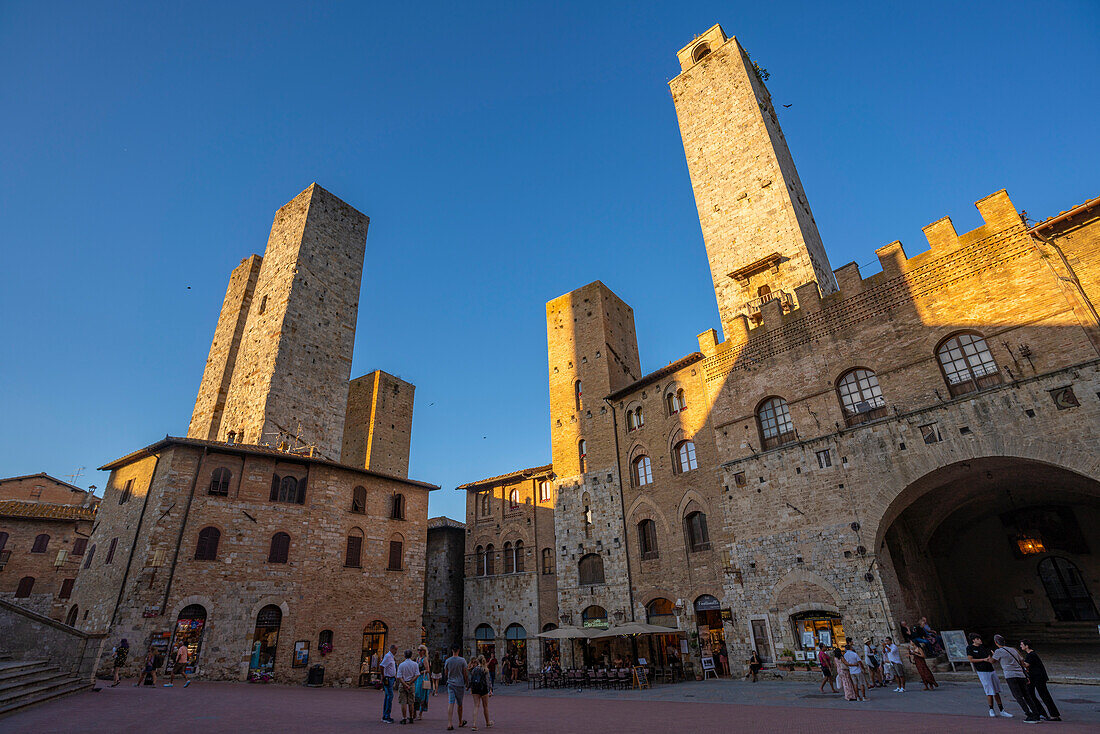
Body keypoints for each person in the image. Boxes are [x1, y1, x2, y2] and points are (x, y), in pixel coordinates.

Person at [992, 634, 1040, 723]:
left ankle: (1029, 714)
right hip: (1020, 675)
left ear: (996, 643)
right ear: (1004, 642)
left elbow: (992, 661)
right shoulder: (1014, 650)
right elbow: (1022, 662)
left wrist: (992, 655)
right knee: (1027, 696)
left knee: (1018, 696)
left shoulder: (998, 651)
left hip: (1010, 675)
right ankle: (1036, 714)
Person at [966, 633, 1011, 718]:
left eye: (980, 638)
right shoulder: (970, 648)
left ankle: (1002, 710)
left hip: (991, 669)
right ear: (974, 640)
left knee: (996, 690)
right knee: (989, 690)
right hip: (982, 671)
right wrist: (983, 659)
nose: (980, 640)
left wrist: (993, 657)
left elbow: (990, 658)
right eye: (978, 639)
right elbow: (971, 660)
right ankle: (991, 709)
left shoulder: (984, 647)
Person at [1020, 640, 1060, 721]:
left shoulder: (1031, 655)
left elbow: (1026, 665)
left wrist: (1017, 660)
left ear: (1026, 646)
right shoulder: (1030, 655)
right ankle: (1040, 712)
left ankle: (1054, 715)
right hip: (1034, 678)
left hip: (1039, 678)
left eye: (1021, 644)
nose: (1020, 646)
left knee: (1044, 695)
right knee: (1029, 693)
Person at [444, 644, 469, 731]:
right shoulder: (462, 660)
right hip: (460, 684)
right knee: (460, 704)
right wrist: (467, 682)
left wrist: (450, 677)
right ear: (458, 650)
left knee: (451, 703)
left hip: (451, 683)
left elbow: (446, 673)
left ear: (452, 651)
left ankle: (449, 723)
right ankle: (460, 721)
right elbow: (465, 673)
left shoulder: (448, 661)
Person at [468, 655, 493, 731]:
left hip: (475, 688)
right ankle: (487, 722)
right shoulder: (485, 669)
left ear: (477, 661)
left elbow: (471, 679)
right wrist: (490, 690)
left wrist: (470, 688)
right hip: (483, 689)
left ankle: (474, 724)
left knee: (476, 706)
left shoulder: (474, 670)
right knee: (485, 706)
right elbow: (488, 681)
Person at [396, 649, 420, 725]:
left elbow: (399, 676)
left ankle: (404, 718)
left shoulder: (401, 665)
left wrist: (405, 684)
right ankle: (411, 717)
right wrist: (410, 683)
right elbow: (417, 675)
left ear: (404, 655)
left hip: (403, 684)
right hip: (411, 684)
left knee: (403, 702)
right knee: (411, 702)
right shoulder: (415, 664)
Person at [380, 644, 397, 724]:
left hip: (391, 678)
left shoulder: (391, 656)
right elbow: (382, 666)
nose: (396, 652)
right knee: (389, 696)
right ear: (392, 649)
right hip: (388, 679)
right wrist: (383, 676)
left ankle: (385, 715)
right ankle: (387, 716)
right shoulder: (388, 656)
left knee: (388, 696)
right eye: (395, 650)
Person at [414, 645, 429, 720]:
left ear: (423, 651)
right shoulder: (417, 659)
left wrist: (421, 672)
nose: (418, 651)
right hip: (417, 678)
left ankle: (420, 713)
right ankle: (414, 713)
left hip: (422, 677)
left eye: (420, 650)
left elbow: (428, 670)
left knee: (421, 695)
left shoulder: (424, 659)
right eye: (418, 650)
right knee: (415, 694)